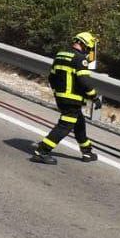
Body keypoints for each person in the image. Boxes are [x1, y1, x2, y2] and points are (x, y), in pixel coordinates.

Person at [32, 32, 100, 163]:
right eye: (88, 47)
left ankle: (87, 151)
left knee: (79, 122)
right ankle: (42, 151)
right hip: (72, 99)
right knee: (65, 126)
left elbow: (52, 77)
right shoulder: (80, 59)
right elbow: (84, 81)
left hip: (61, 97)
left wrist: (57, 92)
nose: (88, 50)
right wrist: (94, 97)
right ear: (83, 44)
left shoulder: (60, 54)